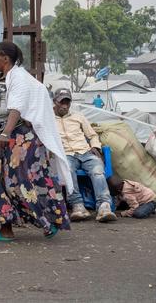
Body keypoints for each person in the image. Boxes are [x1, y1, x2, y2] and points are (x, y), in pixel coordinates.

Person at [0, 41, 71, 242]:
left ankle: (47, 222)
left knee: (18, 182)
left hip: (16, 139)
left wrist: (5, 133)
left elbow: (16, 108)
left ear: (6, 58)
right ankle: (6, 229)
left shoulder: (19, 77)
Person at [53, 88, 117, 222]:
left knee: (98, 171)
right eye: (62, 102)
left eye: (67, 102)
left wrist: (95, 146)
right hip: (66, 154)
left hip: (84, 151)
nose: (65, 106)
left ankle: (104, 206)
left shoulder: (78, 116)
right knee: (68, 170)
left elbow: (92, 135)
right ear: (55, 102)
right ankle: (78, 206)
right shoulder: (48, 119)